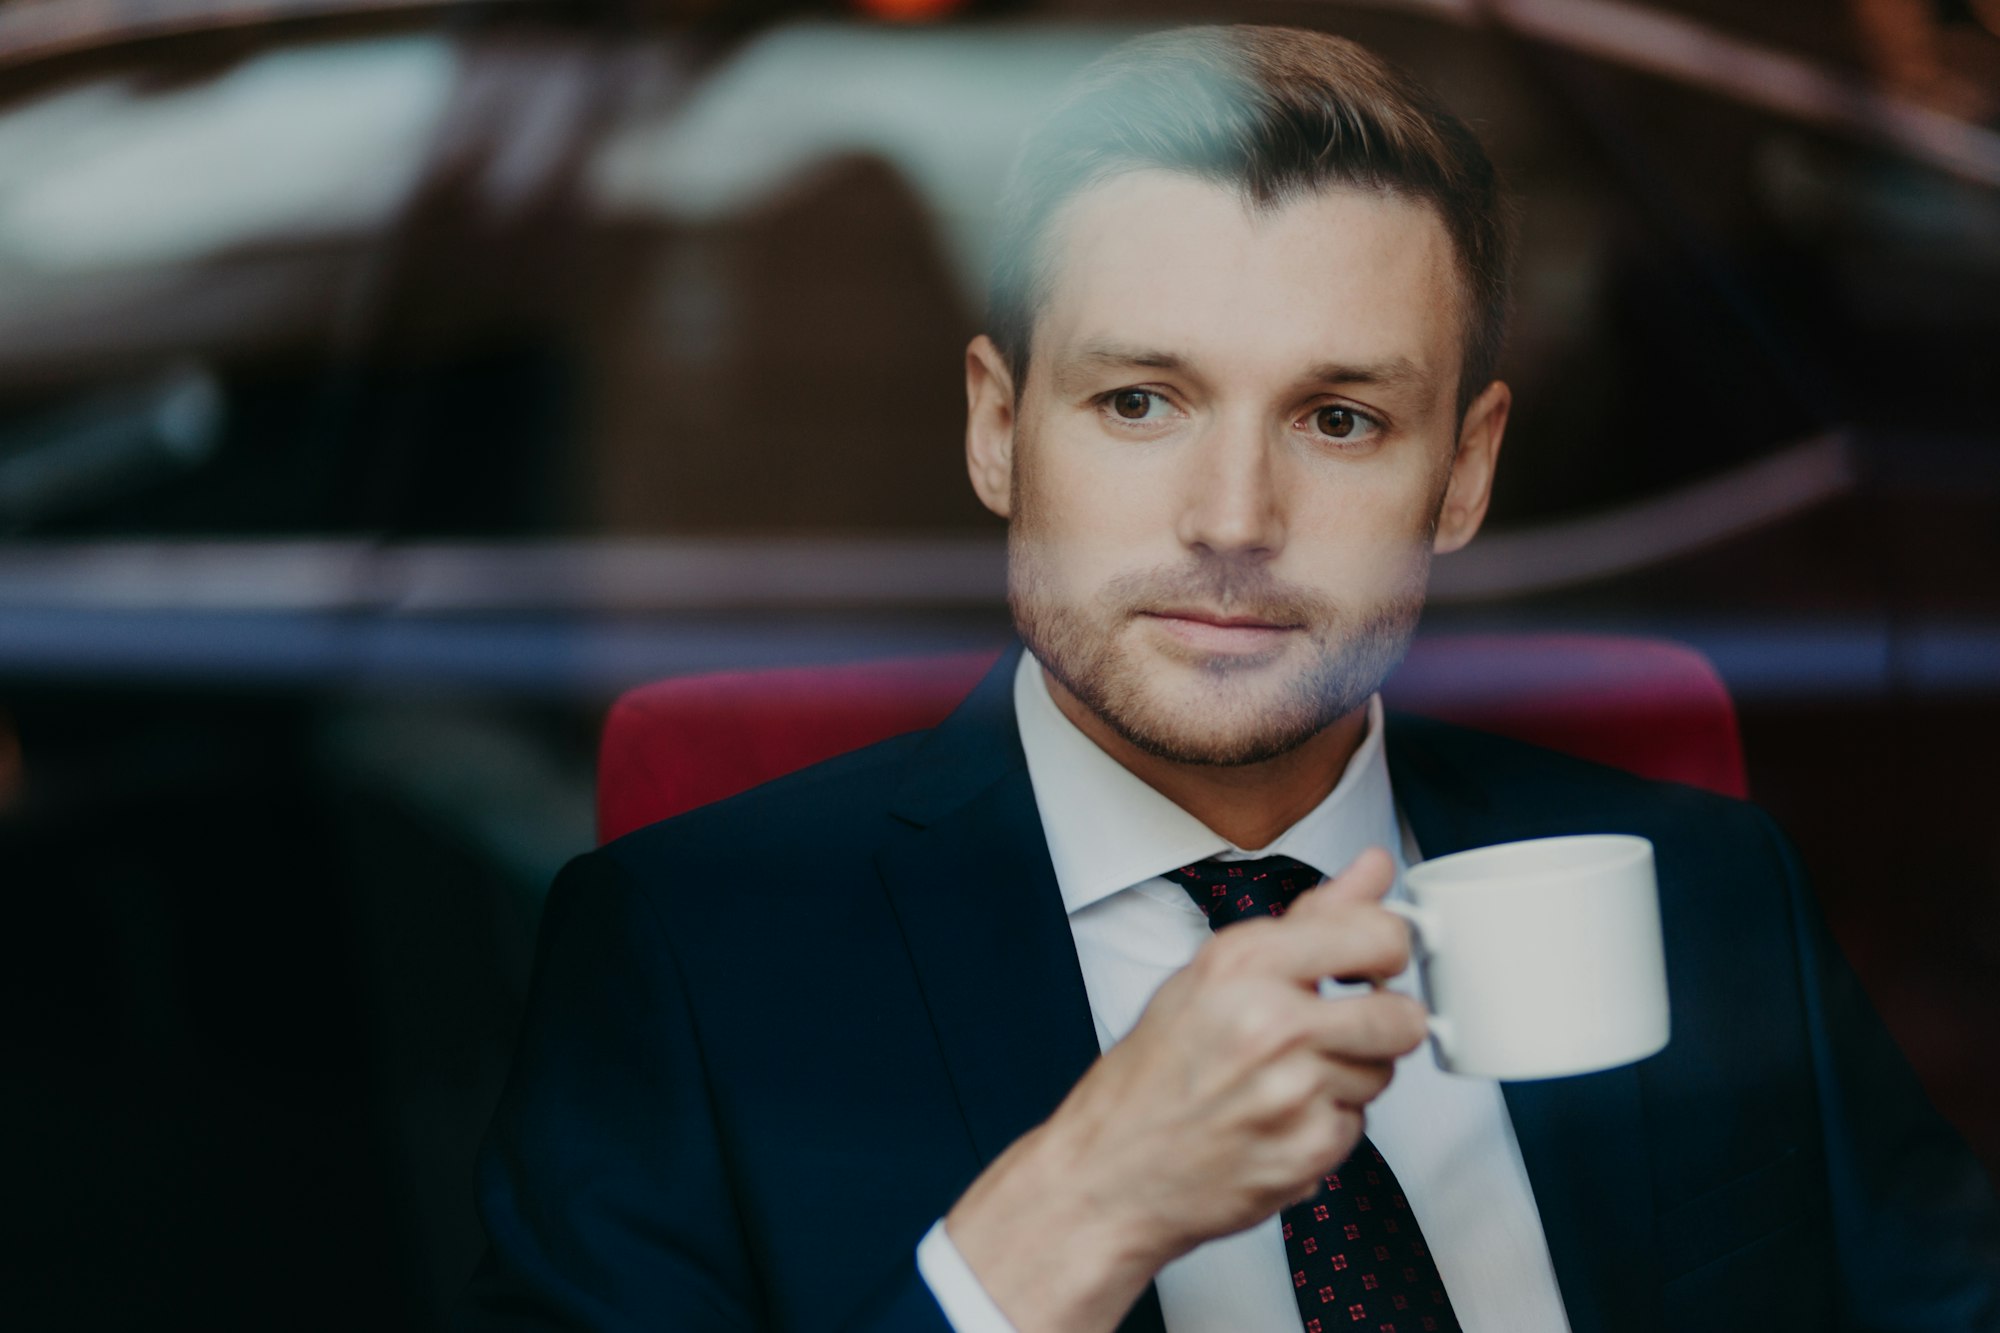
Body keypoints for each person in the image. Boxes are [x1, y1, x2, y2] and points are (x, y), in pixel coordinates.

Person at [457, 25, 2000, 1333]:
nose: (1235, 521)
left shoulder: (1709, 886)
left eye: (1339, 420)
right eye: (1142, 400)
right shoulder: (679, 959)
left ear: (1463, 476)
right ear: (998, 429)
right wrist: (1064, 1224)